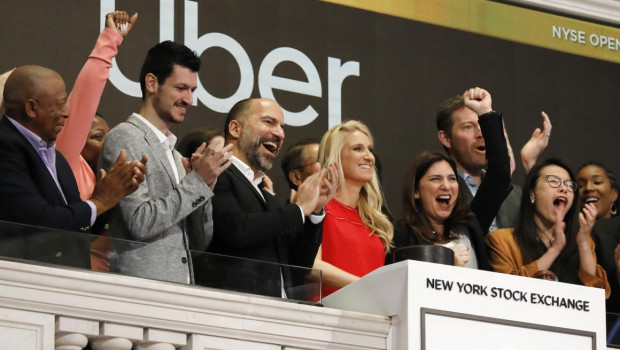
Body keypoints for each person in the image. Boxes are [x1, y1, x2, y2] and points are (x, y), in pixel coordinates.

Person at [100, 41, 231, 284]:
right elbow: (140, 222)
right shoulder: (125, 137)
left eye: (192, 90)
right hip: (141, 290)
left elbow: (198, 243)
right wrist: (196, 182)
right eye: (181, 88)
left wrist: (204, 186)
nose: (189, 99)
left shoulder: (175, 154)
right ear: (152, 83)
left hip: (179, 292)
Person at [0, 65, 145, 268]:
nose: (67, 113)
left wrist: (116, 194)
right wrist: (100, 201)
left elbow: (78, 229)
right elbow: (40, 222)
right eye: (60, 105)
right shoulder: (4, 148)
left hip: (70, 286)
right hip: (24, 286)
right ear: (31, 108)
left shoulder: (57, 159)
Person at [197, 97, 336, 298]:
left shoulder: (268, 198)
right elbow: (234, 230)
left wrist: (314, 212)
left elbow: (298, 266)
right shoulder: (216, 174)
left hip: (273, 314)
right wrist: (299, 209)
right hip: (231, 312)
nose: (280, 133)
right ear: (236, 129)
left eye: (282, 127)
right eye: (269, 122)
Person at [391, 88, 511, 269]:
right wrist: (444, 258)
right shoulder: (401, 234)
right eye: (435, 179)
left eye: (452, 179)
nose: (446, 186)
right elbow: (399, 280)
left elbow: (500, 173)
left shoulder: (470, 224)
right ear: (416, 190)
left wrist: (485, 112)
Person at [486, 159, 610, 298]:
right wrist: (554, 250)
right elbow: (505, 291)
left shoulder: (583, 244)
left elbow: (599, 297)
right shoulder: (502, 241)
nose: (564, 188)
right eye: (554, 181)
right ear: (532, 194)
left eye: (569, 185)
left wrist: (583, 244)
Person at [437, 94, 551, 230]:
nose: (481, 134)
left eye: (483, 126)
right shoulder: (441, 191)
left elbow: (541, 229)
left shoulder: (514, 193)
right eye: (468, 127)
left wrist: (529, 164)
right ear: (446, 138)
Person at [312, 120, 393, 297]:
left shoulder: (375, 220)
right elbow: (310, 265)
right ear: (335, 156)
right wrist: (364, 285)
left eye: (370, 149)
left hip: (373, 317)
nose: (369, 156)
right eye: (358, 149)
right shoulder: (317, 207)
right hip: (326, 316)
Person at [578, 162, 620, 312]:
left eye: (597, 182)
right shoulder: (566, 236)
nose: (588, 188)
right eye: (580, 185)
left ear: (613, 194)